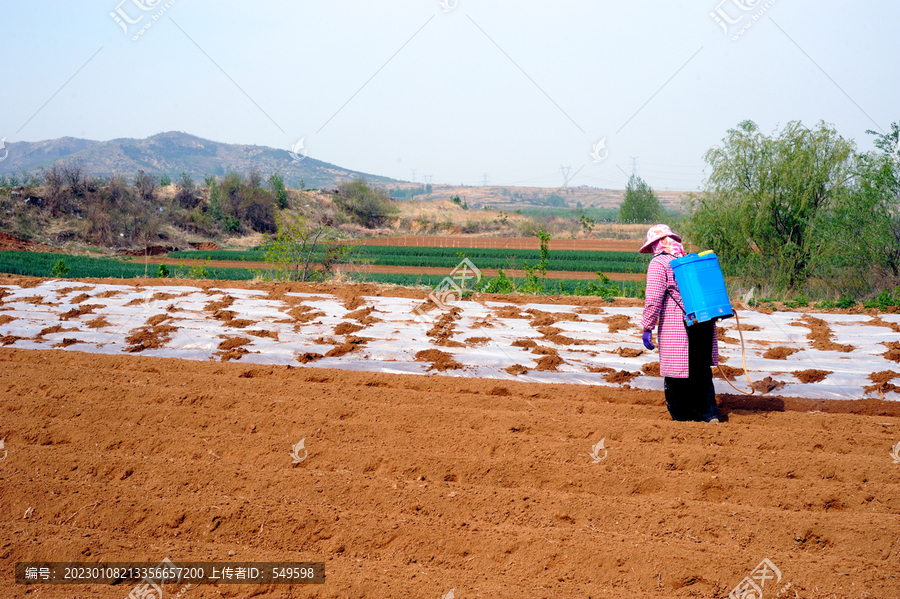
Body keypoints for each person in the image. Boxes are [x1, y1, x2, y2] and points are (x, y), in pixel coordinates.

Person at [638, 224, 720, 423]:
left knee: (677, 371)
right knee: (701, 370)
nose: (652, 252)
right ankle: (708, 414)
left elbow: (654, 298)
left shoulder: (660, 263)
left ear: (657, 244)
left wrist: (647, 326)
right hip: (704, 322)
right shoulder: (688, 260)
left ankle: (683, 418)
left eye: (652, 247)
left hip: (679, 325)